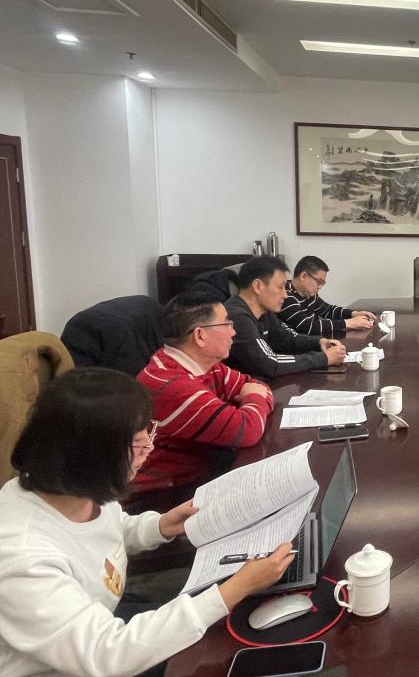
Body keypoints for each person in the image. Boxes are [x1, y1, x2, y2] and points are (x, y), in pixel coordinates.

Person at [0, 368, 294, 677]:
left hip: (104, 623)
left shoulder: (73, 488)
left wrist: (160, 526)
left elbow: (105, 529)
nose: (149, 451)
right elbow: (107, 654)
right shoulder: (22, 557)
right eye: (139, 444)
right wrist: (238, 587)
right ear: (96, 457)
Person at [134, 290, 275, 491]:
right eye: (226, 324)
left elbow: (257, 386)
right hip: (166, 494)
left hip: (201, 473)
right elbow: (248, 430)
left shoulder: (203, 364)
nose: (233, 332)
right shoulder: (173, 386)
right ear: (200, 335)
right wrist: (253, 398)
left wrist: (253, 398)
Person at [225, 257, 347, 380]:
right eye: (281, 287)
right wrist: (324, 358)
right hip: (244, 388)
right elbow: (270, 364)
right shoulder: (237, 317)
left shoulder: (264, 312)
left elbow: (289, 339)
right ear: (258, 286)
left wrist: (319, 342)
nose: (285, 295)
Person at [279, 255, 376, 338]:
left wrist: (353, 314)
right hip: (297, 348)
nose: (320, 287)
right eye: (319, 281)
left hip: (312, 342)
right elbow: (307, 326)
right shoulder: (285, 295)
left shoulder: (309, 294)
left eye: (322, 283)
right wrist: (348, 323)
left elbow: (328, 310)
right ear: (303, 276)